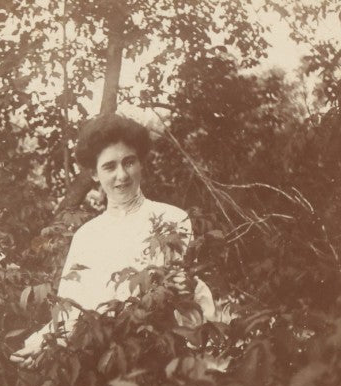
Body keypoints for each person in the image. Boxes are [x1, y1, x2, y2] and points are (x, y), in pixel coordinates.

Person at [17, 113, 216, 358]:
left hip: (160, 355)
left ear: (141, 163)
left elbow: (184, 299)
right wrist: (41, 345)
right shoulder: (86, 236)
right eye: (109, 166)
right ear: (94, 174)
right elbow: (70, 313)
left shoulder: (173, 219)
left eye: (129, 162)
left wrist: (186, 291)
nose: (122, 175)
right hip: (100, 359)